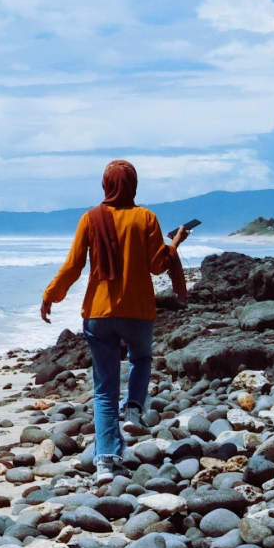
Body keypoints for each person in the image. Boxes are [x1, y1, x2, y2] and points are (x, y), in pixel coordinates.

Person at [41, 160, 189, 485]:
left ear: (105, 184)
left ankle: (106, 463)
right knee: (141, 359)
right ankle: (135, 407)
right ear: (133, 185)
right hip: (137, 311)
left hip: (99, 314)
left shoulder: (90, 219)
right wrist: (175, 243)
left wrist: (51, 295)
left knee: (104, 389)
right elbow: (156, 266)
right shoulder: (146, 217)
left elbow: (73, 266)